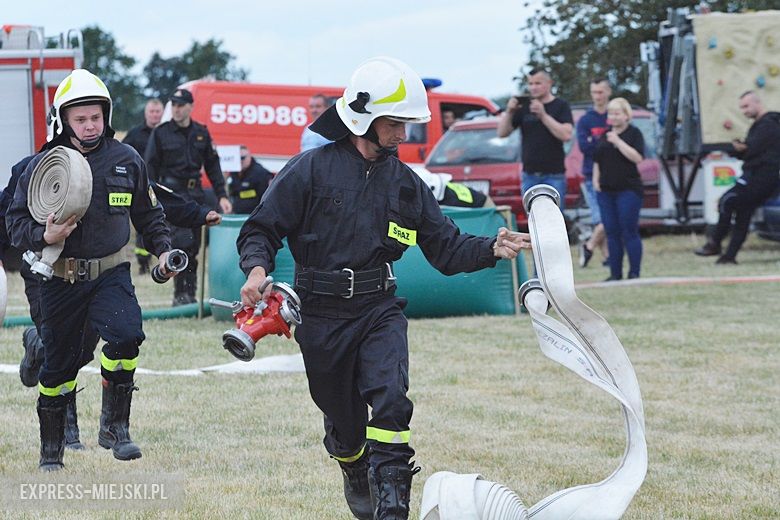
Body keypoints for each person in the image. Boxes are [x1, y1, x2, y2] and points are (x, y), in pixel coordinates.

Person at [236, 56, 530, 520]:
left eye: (407, 124)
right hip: (320, 313)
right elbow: (260, 229)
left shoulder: (407, 184)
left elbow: (447, 248)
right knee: (344, 422)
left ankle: (393, 506)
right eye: (395, 124)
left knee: (391, 399)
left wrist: (492, 246)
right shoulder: (308, 169)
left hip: (379, 309)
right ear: (363, 119)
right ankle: (353, 466)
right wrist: (256, 271)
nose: (403, 135)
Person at [6, 69, 176, 471]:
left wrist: (165, 251)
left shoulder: (126, 160)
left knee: (127, 334)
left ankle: (115, 429)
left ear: (107, 116)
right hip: (60, 280)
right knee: (59, 366)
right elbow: (15, 225)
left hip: (110, 273)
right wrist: (43, 233)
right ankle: (52, 453)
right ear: (64, 120)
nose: (89, 126)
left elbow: (150, 215)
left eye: (95, 117)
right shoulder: (41, 165)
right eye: (80, 119)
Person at [2, 152, 222, 453]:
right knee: (62, 349)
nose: (87, 126)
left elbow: (150, 197)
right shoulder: (33, 167)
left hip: (95, 274)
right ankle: (67, 431)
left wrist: (196, 214)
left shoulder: (112, 161)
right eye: (78, 119)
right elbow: (8, 216)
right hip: (45, 272)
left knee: (81, 347)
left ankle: (36, 345)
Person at [145, 88, 232, 306]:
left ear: (190, 107)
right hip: (171, 197)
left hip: (195, 196)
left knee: (193, 248)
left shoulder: (201, 133)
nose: (176, 109)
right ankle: (180, 295)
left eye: (181, 105)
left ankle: (189, 296)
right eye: (173, 104)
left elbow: (213, 166)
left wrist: (222, 195)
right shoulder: (161, 132)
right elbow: (150, 168)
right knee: (181, 243)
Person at [695, 91, 780, 263]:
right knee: (743, 212)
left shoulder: (768, 125)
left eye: (746, 106)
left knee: (727, 200)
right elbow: (750, 151)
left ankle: (715, 243)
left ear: (758, 103)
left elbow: (752, 150)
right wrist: (740, 150)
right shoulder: (759, 125)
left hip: (761, 176)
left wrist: (739, 148)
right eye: (741, 107)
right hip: (757, 174)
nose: (744, 111)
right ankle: (729, 256)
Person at [497, 68, 573, 208]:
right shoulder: (524, 107)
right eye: (530, 83)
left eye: (538, 83)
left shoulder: (561, 106)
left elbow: (566, 135)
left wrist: (543, 115)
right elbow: (502, 133)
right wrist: (509, 112)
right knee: (532, 219)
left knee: (554, 219)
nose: (533, 87)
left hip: (554, 174)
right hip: (529, 174)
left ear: (549, 83)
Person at [593, 98, 645, 281]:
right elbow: (597, 159)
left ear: (626, 115)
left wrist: (618, 142)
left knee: (628, 230)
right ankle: (615, 273)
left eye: (617, 113)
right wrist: (596, 181)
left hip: (628, 189)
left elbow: (637, 157)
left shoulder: (634, 134)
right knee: (611, 231)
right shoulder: (605, 135)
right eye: (610, 113)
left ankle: (634, 272)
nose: (613, 117)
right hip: (606, 190)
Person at [123, 98, 165, 274]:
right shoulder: (135, 134)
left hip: (165, 186)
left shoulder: (168, 133)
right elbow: (121, 153)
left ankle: (165, 259)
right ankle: (143, 263)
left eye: (157, 112)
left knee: (163, 223)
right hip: (142, 185)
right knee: (143, 222)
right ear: (146, 113)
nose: (154, 115)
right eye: (151, 112)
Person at [576, 78, 611, 268]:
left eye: (601, 92)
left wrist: (596, 142)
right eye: (594, 92)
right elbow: (585, 147)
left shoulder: (614, 115)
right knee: (602, 219)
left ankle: (595, 250)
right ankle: (602, 254)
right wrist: (607, 144)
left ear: (608, 92)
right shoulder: (586, 120)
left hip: (614, 173)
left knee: (606, 219)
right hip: (592, 175)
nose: (597, 96)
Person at [227, 145, 274, 214]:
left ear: (249, 156)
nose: (240, 161)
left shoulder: (261, 173)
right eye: (237, 158)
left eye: (242, 158)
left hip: (253, 215)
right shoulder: (233, 172)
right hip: (236, 213)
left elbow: (266, 199)